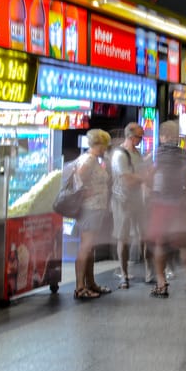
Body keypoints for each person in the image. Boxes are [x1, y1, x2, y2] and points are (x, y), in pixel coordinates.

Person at [146, 120, 186, 298]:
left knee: (160, 243)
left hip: (161, 203)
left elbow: (152, 175)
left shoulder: (159, 153)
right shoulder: (183, 154)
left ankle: (162, 284)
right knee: (183, 244)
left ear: (164, 136)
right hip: (179, 203)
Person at [72, 129, 113, 300]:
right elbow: (78, 178)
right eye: (105, 144)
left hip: (95, 208)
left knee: (90, 247)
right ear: (99, 144)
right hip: (90, 209)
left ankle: (90, 282)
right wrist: (84, 193)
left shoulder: (93, 159)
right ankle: (80, 287)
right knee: (86, 247)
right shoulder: (89, 159)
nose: (106, 148)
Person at [110, 122, 151, 288]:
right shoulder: (119, 155)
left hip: (138, 200)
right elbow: (127, 179)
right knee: (123, 237)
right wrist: (143, 178)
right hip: (122, 201)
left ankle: (150, 273)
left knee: (145, 236)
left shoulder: (137, 153)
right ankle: (124, 274)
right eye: (140, 137)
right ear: (131, 137)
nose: (141, 140)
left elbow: (140, 174)